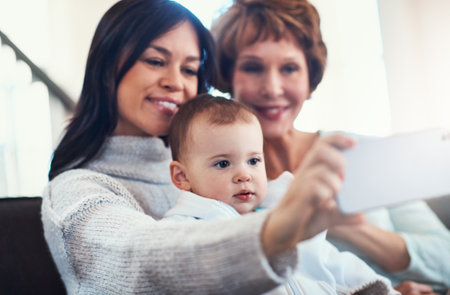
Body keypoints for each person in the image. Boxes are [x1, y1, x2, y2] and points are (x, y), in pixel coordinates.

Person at [42, 0, 366, 293]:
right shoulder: (76, 192)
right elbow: (144, 258)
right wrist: (278, 229)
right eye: (156, 61)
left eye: (189, 69)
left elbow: (314, 272)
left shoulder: (210, 171)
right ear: (107, 66)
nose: (176, 82)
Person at [211, 0, 450, 294]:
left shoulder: (359, 150)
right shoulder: (219, 178)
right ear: (227, 74)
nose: (272, 88)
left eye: (289, 68)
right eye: (253, 67)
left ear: (309, 76)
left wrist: (344, 226)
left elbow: (445, 259)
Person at [163, 93, 397, 294]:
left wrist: (381, 289)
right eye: (223, 164)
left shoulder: (281, 212)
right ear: (182, 177)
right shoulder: (183, 231)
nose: (244, 175)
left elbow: (333, 263)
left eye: (253, 160)